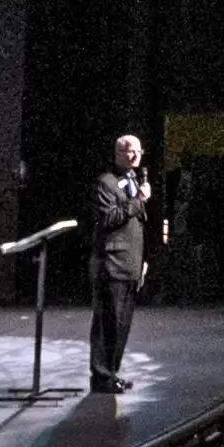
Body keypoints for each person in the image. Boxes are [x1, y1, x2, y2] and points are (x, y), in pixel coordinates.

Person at [86, 131, 153, 393]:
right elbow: (108, 219)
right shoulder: (106, 183)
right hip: (112, 264)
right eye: (129, 150)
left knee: (122, 325)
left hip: (130, 264)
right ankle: (101, 377)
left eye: (139, 151)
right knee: (107, 324)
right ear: (118, 153)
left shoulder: (133, 180)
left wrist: (142, 260)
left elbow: (138, 227)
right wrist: (139, 201)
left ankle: (111, 373)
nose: (136, 155)